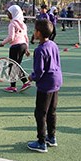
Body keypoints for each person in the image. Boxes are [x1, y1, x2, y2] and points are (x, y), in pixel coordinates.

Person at [27, 19, 63, 153]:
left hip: (46, 85)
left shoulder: (39, 50)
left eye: (35, 30)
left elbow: (39, 72)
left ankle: (41, 142)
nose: (33, 32)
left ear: (39, 33)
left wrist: (31, 78)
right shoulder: (53, 44)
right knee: (52, 111)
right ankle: (52, 137)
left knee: (40, 113)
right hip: (56, 82)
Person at [0, 5, 32, 93]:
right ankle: (15, 85)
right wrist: (27, 49)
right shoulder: (23, 24)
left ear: (13, 13)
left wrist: (2, 43)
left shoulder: (12, 24)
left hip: (15, 47)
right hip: (23, 46)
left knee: (13, 66)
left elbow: (11, 37)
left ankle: (23, 83)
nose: (7, 14)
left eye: (9, 13)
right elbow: (26, 38)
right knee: (16, 65)